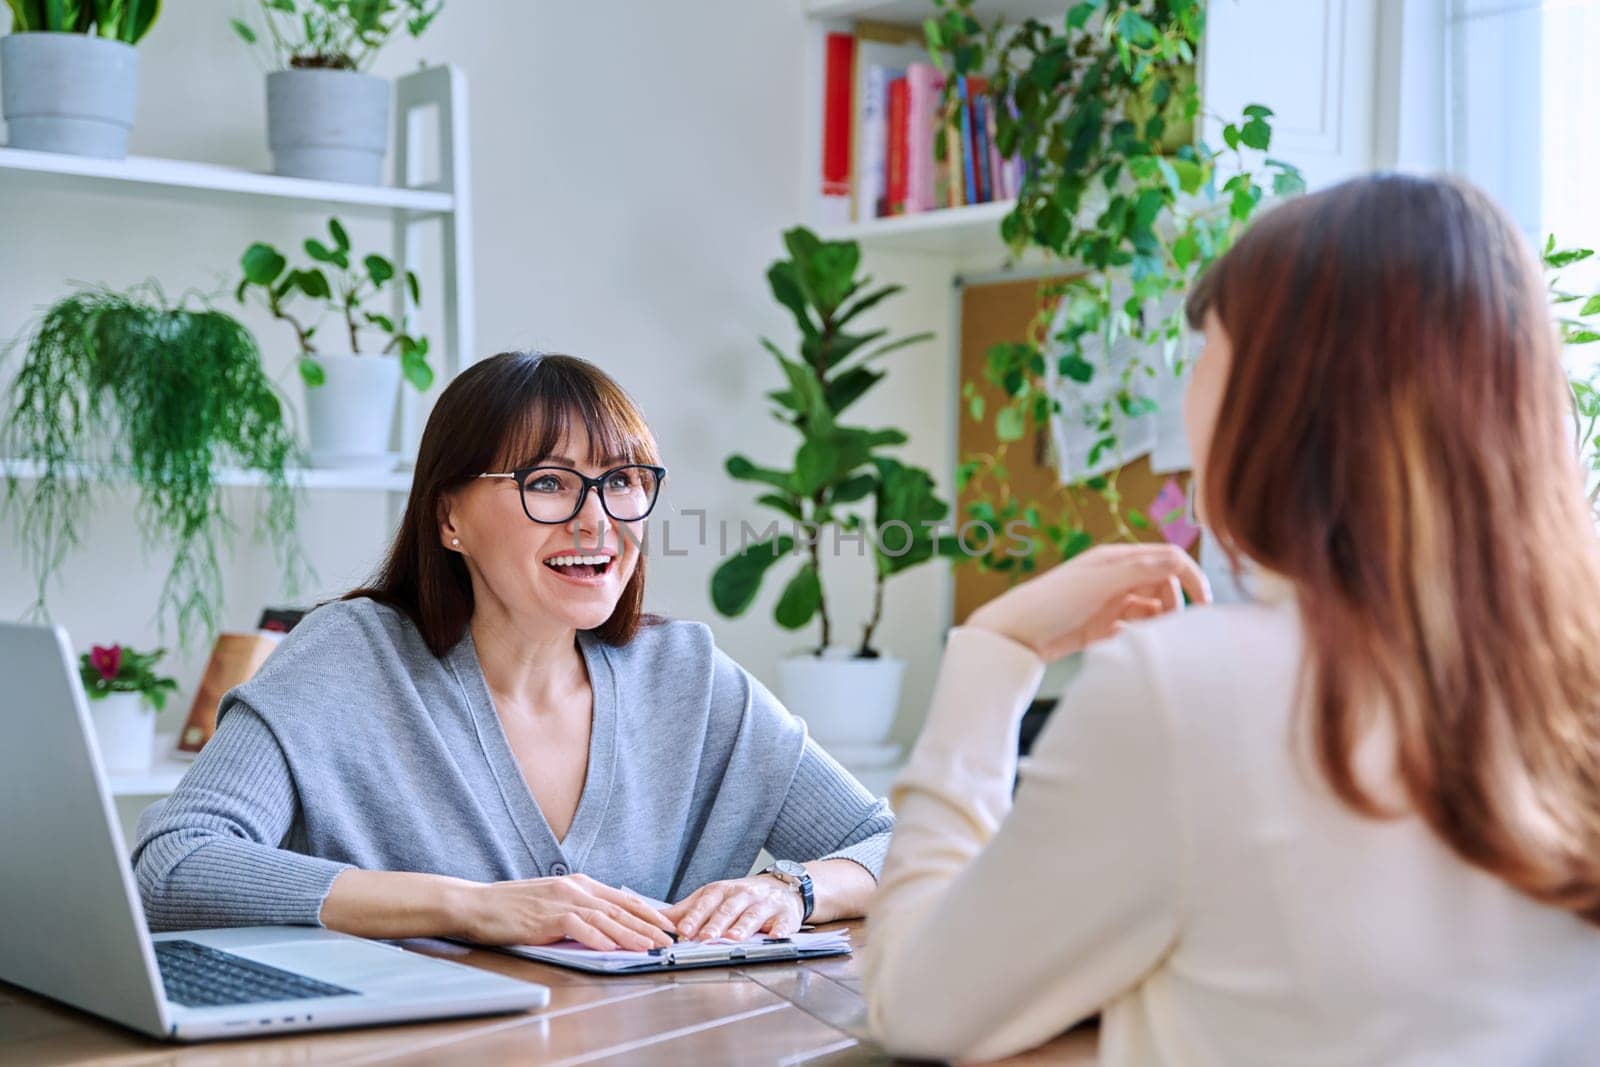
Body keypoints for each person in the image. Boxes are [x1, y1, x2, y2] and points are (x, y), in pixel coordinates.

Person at [863, 174, 1600, 1065]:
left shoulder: (1192, 687)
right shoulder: (1570, 681)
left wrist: (992, 651)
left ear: (1284, 396)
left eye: (1204, 348)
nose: (1189, 390)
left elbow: (918, 1003)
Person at [133, 352, 890, 952]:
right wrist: (472, 908)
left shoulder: (688, 678)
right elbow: (174, 863)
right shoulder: (350, 659)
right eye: (549, 483)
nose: (597, 523)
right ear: (449, 516)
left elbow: (894, 842)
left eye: (622, 482)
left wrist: (792, 890)